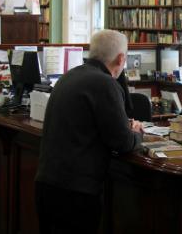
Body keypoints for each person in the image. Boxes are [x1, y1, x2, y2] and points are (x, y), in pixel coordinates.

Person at [34, 30, 144, 234]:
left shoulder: (69, 76)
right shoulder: (105, 84)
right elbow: (122, 142)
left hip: (47, 184)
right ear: (121, 58)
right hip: (76, 192)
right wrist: (137, 133)